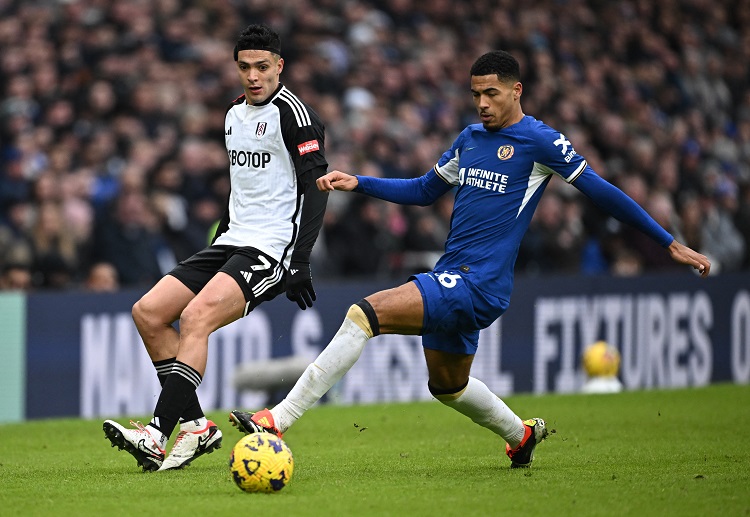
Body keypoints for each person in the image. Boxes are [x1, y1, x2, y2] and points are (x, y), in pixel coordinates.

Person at [228, 50, 711, 469]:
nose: (482, 103)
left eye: (493, 94)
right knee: (448, 385)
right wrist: (362, 182)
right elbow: (423, 191)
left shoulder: (540, 142)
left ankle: (279, 419)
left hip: (479, 284)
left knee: (364, 314)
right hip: (453, 276)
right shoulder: (469, 138)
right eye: (476, 93)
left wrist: (666, 240)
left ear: (517, 91)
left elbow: (601, 191)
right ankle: (520, 437)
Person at [103, 23, 329, 471]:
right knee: (147, 313)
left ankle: (155, 434)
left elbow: (317, 187)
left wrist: (300, 260)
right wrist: (218, 240)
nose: (253, 76)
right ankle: (197, 426)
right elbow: (241, 186)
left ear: (279, 67)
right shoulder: (232, 115)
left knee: (195, 318)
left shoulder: (295, 115)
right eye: (245, 67)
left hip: (272, 246)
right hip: (231, 239)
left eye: (262, 67)